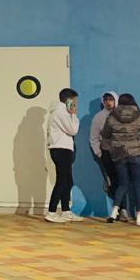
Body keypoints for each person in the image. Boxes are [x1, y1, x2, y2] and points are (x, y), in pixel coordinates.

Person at [101, 93, 140, 226]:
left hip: (118, 153)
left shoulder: (112, 115)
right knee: (138, 185)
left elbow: (105, 134)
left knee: (122, 184)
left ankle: (114, 212)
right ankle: (139, 216)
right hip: (137, 153)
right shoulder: (139, 115)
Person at [44, 87, 83, 223]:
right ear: (69, 100)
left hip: (63, 149)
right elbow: (73, 130)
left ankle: (66, 211)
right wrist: (73, 115)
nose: (76, 104)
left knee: (68, 181)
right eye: (74, 101)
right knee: (62, 181)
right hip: (61, 149)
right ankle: (52, 211)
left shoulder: (61, 111)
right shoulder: (61, 112)